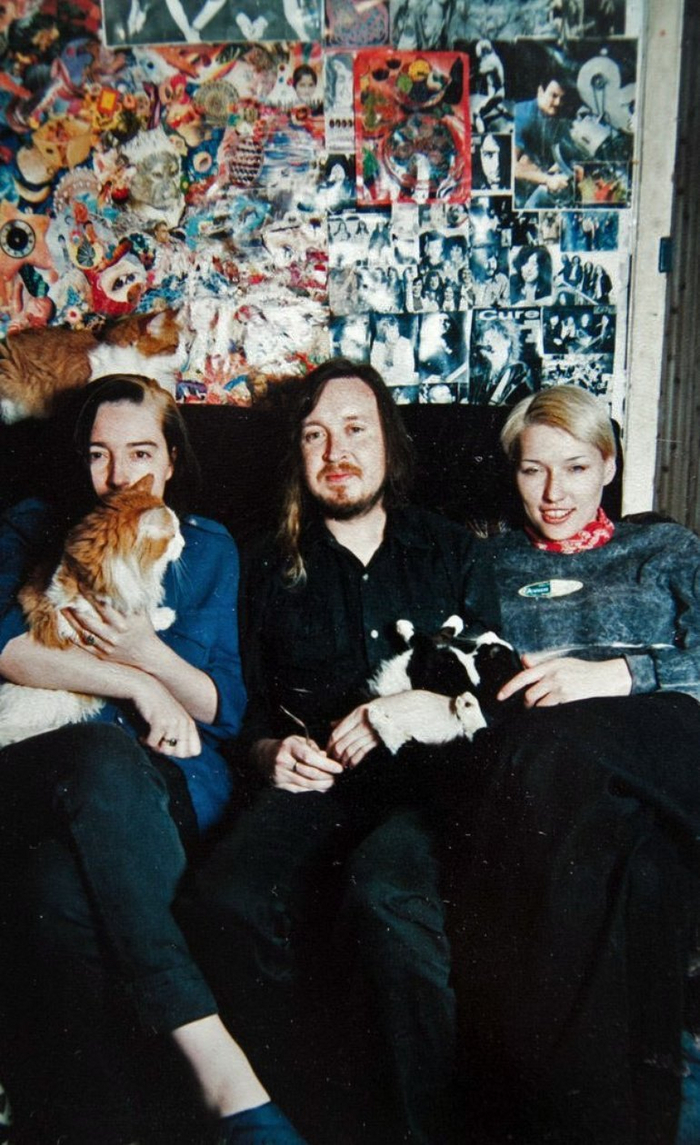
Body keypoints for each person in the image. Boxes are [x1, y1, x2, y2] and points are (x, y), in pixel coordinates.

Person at [0, 375, 306, 1145]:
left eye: (140, 452)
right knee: (99, 751)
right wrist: (136, 685)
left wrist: (148, 653)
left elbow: (222, 706)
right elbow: (6, 647)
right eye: (99, 454)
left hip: (163, 778)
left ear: (170, 459)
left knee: (54, 888)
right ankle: (226, 1081)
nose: (119, 475)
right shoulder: (30, 524)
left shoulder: (205, 545)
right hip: (44, 763)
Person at [192, 359, 482, 1145]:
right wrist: (269, 753)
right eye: (315, 435)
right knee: (225, 899)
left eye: (355, 429)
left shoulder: (452, 550)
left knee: (384, 896)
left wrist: (420, 709)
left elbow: (494, 685)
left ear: (390, 442)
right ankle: (312, 1118)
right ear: (297, 453)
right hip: (313, 787)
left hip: (427, 789)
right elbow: (245, 707)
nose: (336, 452)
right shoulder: (262, 562)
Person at [443, 385, 700, 1144]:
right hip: (565, 782)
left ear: (609, 466)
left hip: (665, 739)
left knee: (550, 749)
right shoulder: (487, 562)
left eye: (577, 467)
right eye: (533, 470)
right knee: (639, 870)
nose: (554, 493)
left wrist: (618, 674)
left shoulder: (666, 548)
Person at [514, 72, 582, 207]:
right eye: (553, 96)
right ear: (540, 91)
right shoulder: (523, 115)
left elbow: (566, 151)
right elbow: (513, 168)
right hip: (518, 192)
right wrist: (548, 180)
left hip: (542, 179)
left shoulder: (556, 114)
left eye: (562, 98)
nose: (558, 103)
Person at [469, 316, 535, 404]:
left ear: (508, 341)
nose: (490, 345)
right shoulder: (483, 375)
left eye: (495, 339)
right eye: (487, 341)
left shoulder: (519, 370)